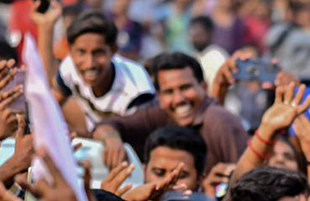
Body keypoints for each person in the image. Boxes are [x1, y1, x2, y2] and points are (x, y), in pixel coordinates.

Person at [92, 52, 248, 170]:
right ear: (159, 97)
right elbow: (107, 125)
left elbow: (246, 182)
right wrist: (112, 139)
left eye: (185, 88)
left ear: (203, 87)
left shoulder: (219, 121)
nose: (178, 99)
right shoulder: (161, 114)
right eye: (169, 92)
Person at [52, 11, 155, 129]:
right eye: (81, 52)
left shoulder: (137, 88)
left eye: (98, 53)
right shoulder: (68, 67)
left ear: (113, 50)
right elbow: (50, 105)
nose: (89, 64)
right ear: (71, 51)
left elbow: (140, 138)